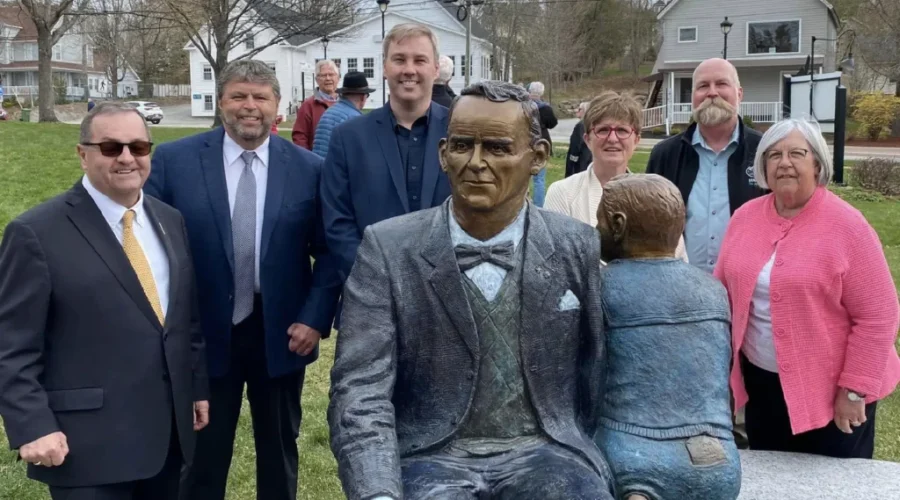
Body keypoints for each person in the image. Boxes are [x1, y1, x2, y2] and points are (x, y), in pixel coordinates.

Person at [328, 80, 614, 500]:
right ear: (444, 153)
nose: (476, 163)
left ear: (537, 158)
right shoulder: (389, 249)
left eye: (498, 148)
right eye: (463, 145)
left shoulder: (578, 247)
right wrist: (378, 493)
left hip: (548, 455)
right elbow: (360, 390)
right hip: (427, 457)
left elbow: (607, 373)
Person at [146, 60, 341, 500]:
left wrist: (314, 318)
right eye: (238, 96)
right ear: (221, 103)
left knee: (279, 453)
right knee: (201, 457)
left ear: (279, 106)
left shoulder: (310, 169)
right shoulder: (176, 162)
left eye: (261, 97)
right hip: (203, 334)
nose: (249, 106)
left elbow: (329, 252)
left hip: (284, 334)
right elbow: (150, 245)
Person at [0, 102, 209, 499]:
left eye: (139, 147)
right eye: (111, 148)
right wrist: (31, 424)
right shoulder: (36, 233)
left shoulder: (169, 220)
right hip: (85, 446)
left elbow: (184, 318)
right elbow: (10, 344)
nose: (127, 158)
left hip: (167, 438)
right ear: (83, 154)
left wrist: (195, 387)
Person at [714, 118, 900, 458]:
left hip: (832, 391)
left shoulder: (848, 226)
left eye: (796, 153)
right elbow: (720, 295)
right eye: (774, 155)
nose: (784, 163)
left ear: (817, 164)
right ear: (763, 166)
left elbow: (879, 316)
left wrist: (855, 390)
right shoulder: (744, 218)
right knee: (772, 480)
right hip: (763, 386)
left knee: (832, 487)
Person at [594, 174, 740, 500]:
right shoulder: (712, 291)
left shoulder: (600, 287)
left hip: (628, 457)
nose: (596, 229)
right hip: (716, 460)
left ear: (618, 225)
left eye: (598, 220)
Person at [321, 23, 450, 285]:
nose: (409, 69)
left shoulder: (461, 133)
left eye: (420, 60)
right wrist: (376, 279)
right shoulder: (348, 138)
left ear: (435, 69)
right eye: (399, 59)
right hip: (372, 295)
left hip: (448, 295)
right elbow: (337, 223)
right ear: (384, 68)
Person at [646, 58, 765, 273]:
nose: (712, 92)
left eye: (721, 84)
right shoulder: (664, 155)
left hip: (746, 287)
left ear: (739, 93)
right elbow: (648, 226)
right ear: (693, 97)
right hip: (680, 285)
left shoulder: (765, 152)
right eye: (703, 86)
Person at [544, 91, 688, 261]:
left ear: (636, 140)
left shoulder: (656, 198)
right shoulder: (563, 194)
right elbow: (553, 265)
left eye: (622, 130)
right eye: (603, 130)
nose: (612, 138)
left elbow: (678, 265)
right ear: (587, 139)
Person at [312, 71, 374, 158]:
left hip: (318, 167)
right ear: (363, 97)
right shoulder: (355, 119)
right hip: (336, 169)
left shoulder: (329, 111)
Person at [291, 59, 339, 150]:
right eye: (323, 75)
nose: (328, 78)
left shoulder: (345, 103)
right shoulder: (308, 105)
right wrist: (308, 160)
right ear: (317, 79)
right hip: (318, 160)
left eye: (331, 74)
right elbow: (299, 137)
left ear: (338, 78)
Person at [527, 81, 557, 207]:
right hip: (541, 142)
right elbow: (553, 124)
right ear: (541, 93)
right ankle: (539, 205)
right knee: (539, 178)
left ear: (529, 91)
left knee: (522, 175)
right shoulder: (546, 108)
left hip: (526, 140)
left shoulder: (523, 106)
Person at [565, 101, 591, 178]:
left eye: (579, 109)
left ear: (584, 111)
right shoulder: (590, 123)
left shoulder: (580, 125)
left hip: (580, 160)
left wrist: (572, 161)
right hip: (589, 158)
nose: (577, 111)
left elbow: (576, 145)